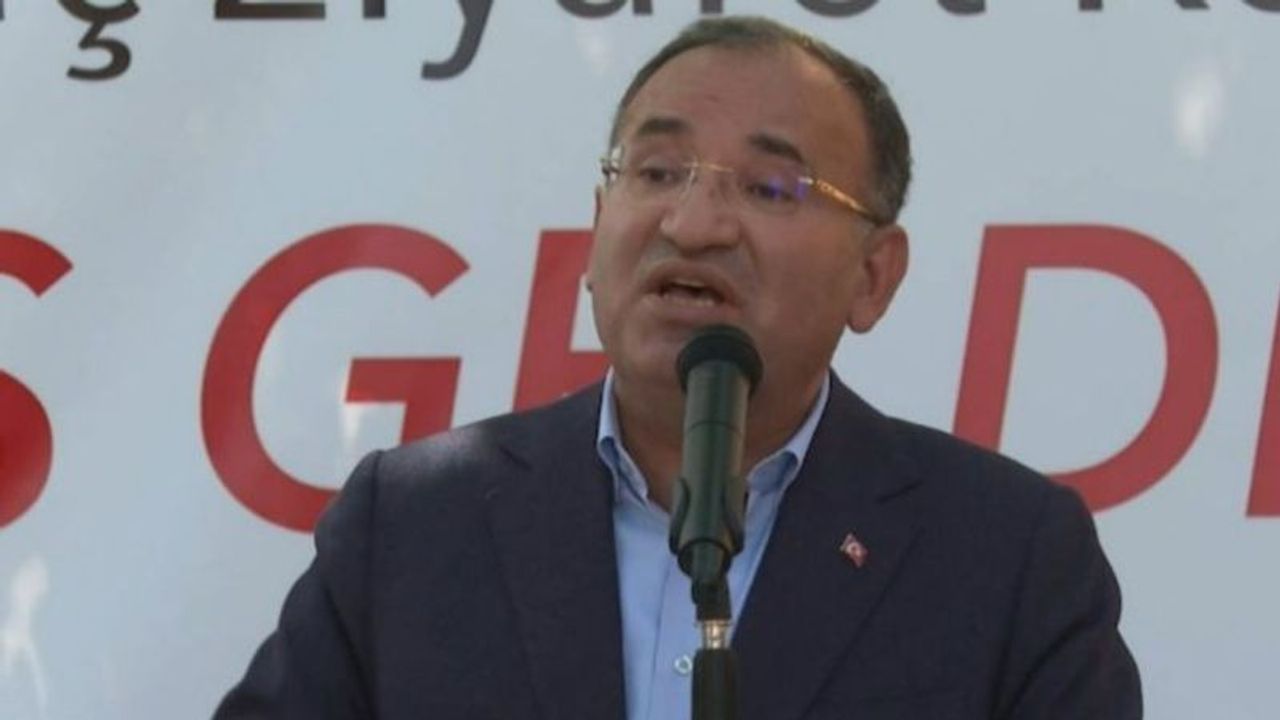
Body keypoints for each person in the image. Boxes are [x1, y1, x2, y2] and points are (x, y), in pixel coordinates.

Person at [215, 15, 1142, 720]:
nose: (693, 224)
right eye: (657, 172)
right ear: (597, 226)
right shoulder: (416, 522)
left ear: (873, 276)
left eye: (770, 187)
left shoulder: (1007, 555)